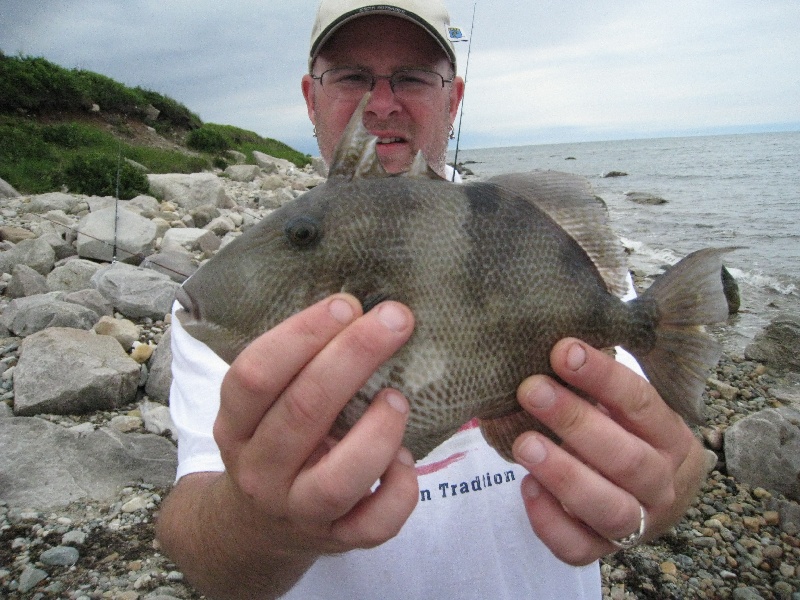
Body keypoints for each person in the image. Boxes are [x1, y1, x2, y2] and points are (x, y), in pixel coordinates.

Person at [156, 2, 711, 599]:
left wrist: (658, 501)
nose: (382, 103)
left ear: (455, 96)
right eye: (350, 75)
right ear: (309, 96)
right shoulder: (211, 319)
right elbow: (200, 551)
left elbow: (678, 464)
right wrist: (262, 525)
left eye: (414, 77)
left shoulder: (561, 268)